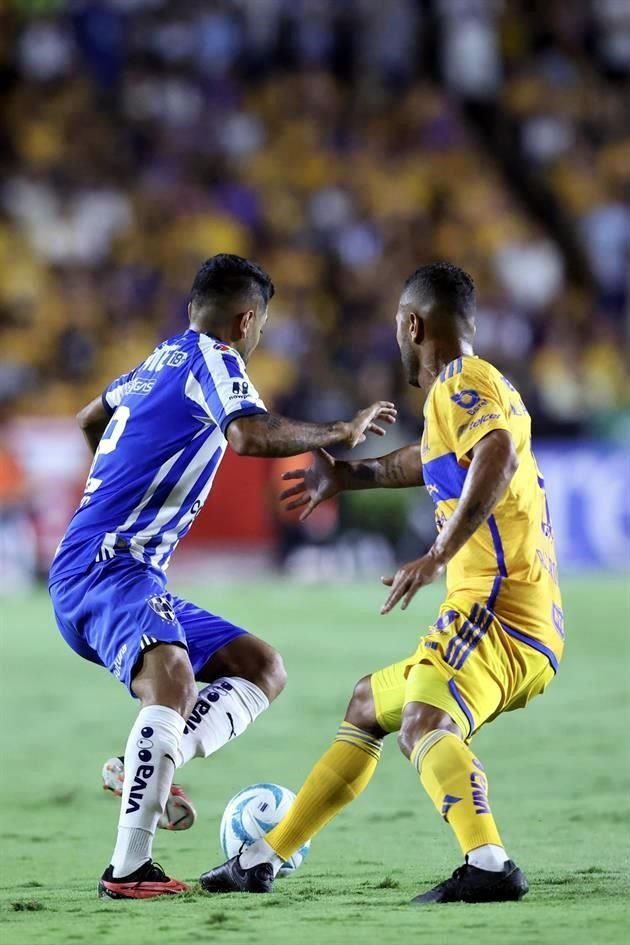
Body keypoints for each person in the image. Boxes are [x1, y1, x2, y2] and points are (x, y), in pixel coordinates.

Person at [200, 262, 564, 905]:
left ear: (414, 324)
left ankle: (488, 863)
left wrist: (437, 552)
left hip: (496, 609)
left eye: (400, 325)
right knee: (369, 704)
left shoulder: (461, 383)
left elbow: (498, 456)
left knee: (423, 722)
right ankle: (263, 857)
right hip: (520, 620)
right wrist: (347, 475)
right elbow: (424, 463)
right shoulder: (468, 393)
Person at [48, 253, 396, 901]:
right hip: (110, 564)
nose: (257, 336)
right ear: (245, 320)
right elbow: (248, 436)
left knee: (260, 666)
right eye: (260, 325)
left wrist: (121, 477)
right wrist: (342, 430)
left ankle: (150, 765)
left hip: (117, 564)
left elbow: (88, 419)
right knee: (172, 679)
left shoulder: (159, 360)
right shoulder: (216, 359)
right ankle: (128, 869)